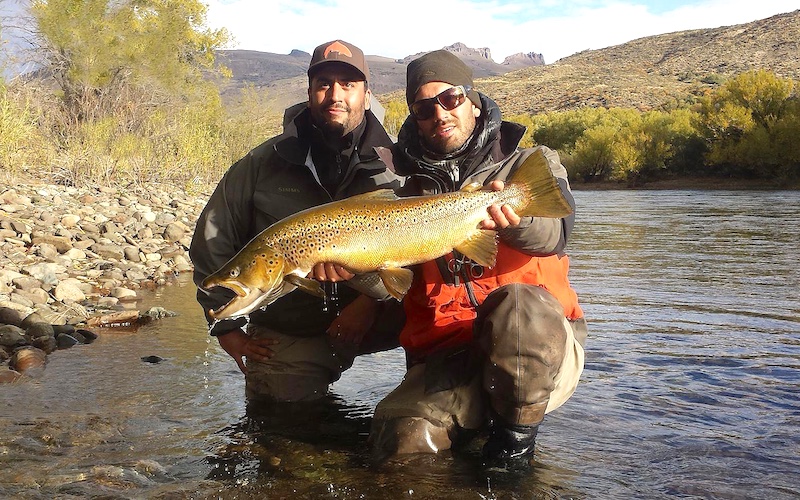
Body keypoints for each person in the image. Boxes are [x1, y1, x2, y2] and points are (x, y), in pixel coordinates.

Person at [368, 50, 587, 469]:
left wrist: (513, 222)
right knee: (402, 442)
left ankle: (514, 451)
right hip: (451, 353)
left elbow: (556, 235)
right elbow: (392, 286)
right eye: (424, 107)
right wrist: (354, 272)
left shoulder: (530, 162)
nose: (439, 113)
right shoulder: (402, 190)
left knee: (519, 306)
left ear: (472, 100)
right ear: (415, 115)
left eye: (449, 98)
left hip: (542, 350)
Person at [190, 40, 405, 403]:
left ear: (367, 95)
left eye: (348, 84)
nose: (335, 94)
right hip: (294, 328)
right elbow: (213, 240)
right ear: (309, 93)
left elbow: (434, 253)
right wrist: (225, 327)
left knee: (445, 342)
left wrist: (368, 303)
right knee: (282, 428)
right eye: (324, 84)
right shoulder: (262, 163)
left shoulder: (400, 165)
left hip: (387, 316)